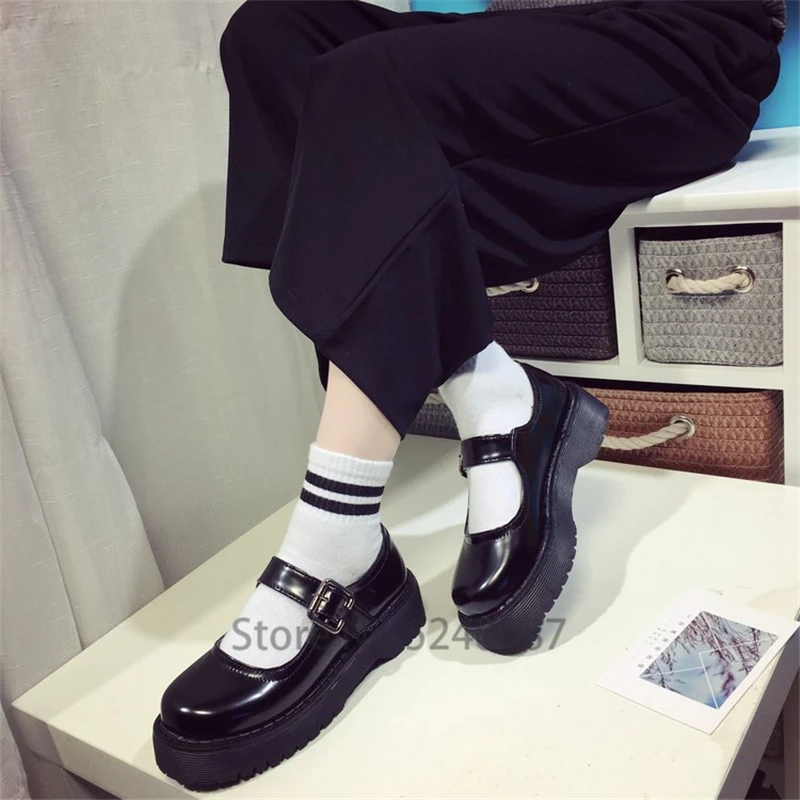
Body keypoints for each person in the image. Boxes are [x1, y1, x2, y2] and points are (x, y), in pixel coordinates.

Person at [151, 0, 784, 789]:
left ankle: (336, 539)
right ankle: (492, 392)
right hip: (538, 28)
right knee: (273, 33)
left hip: (684, 37)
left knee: (366, 80)